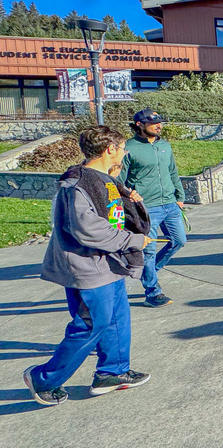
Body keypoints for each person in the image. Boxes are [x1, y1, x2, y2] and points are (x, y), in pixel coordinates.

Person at [23, 126, 154, 406]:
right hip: (87, 268)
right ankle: (43, 378)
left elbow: (111, 214)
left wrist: (130, 201)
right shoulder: (78, 183)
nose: (124, 154)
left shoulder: (103, 179)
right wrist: (132, 240)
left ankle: (113, 373)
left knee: (117, 319)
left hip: (108, 264)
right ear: (110, 149)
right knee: (90, 325)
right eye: (122, 149)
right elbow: (88, 230)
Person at [119, 108, 185, 308]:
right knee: (148, 251)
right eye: (153, 123)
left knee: (179, 241)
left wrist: (180, 196)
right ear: (139, 124)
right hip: (147, 208)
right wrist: (129, 198)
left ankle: (150, 272)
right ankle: (152, 292)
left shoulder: (165, 145)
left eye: (160, 123)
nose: (159, 126)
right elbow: (119, 180)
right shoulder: (129, 148)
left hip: (170, 204)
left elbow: (172, 171)